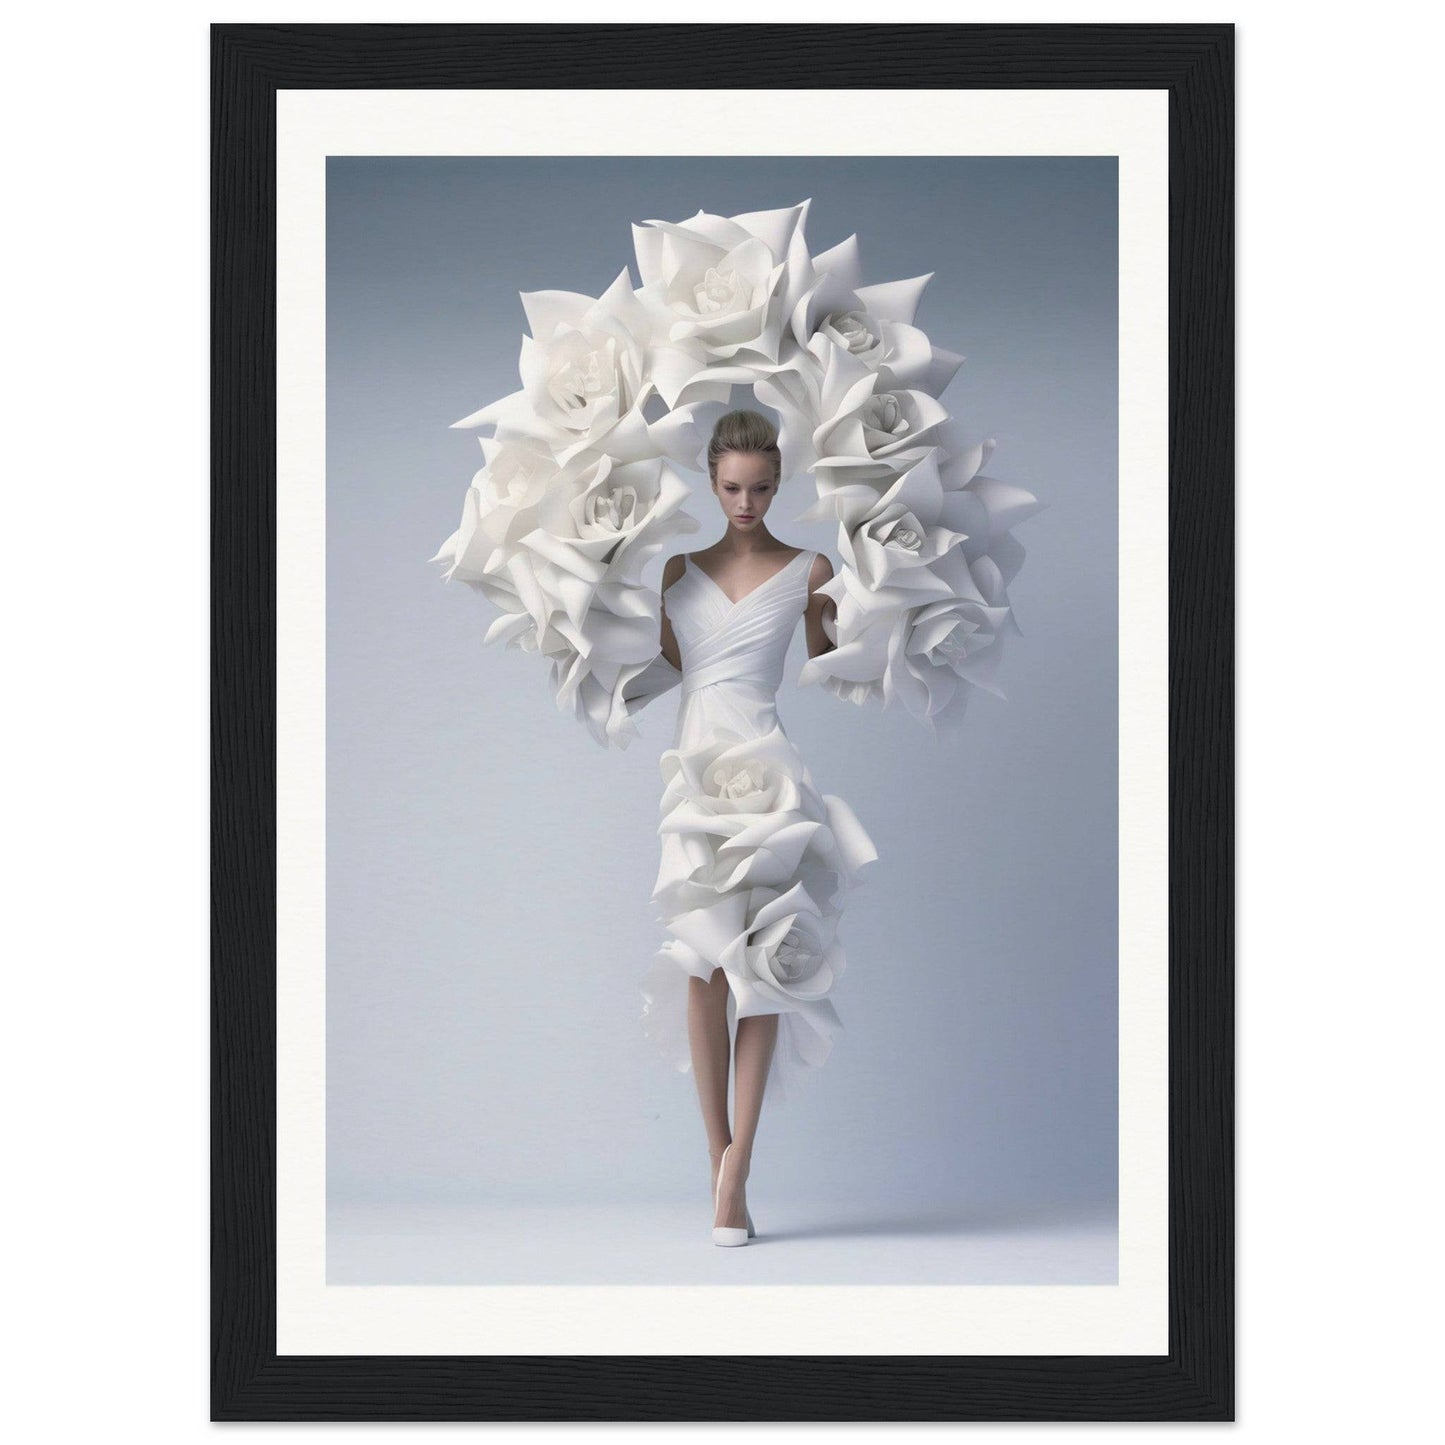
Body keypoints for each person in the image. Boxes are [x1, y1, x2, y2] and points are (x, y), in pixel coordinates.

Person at [648, 408, 876, 1246]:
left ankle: (738, 1171)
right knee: (703, 968)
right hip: (691, 776)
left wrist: (873, 606)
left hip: (769, 773)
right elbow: (661, 670)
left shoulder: (810, 566)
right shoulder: (674, 569)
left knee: (768, 965)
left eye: (764, 487)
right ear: (711, 480)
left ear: (781, 482)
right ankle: (721, 1167)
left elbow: (828, 661)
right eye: (733, 486)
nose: (747, 501)